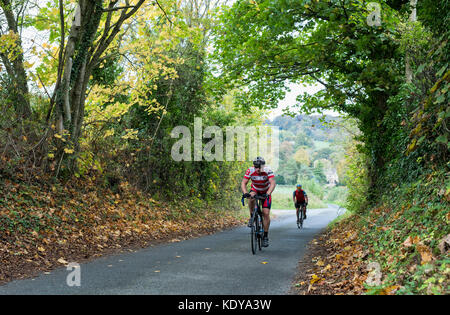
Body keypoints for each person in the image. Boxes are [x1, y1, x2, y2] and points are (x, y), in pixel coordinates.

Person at [241, 157, 276, 247]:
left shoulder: (268, 170)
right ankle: (252, 216)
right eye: (256, 167)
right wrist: (245, 193)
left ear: (263, 166)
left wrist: (268, 193)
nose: (257, 169)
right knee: (251, 197)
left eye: (259, 167)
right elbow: (243, 182)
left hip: (265, 191)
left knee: (266, 213)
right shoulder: (250, 170)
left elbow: (272, 183)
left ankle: (265, 236)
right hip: (255, 190)